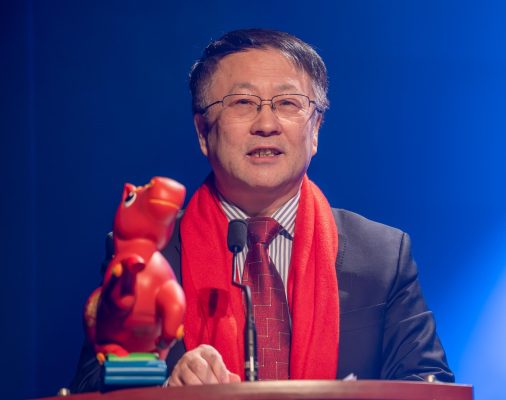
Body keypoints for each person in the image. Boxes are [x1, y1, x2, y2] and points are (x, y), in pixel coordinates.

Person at [70, 28, 453, 392]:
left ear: (316, 130)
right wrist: (166, 387)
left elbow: (428, 384)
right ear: (203, 132)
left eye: (288, 103)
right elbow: (93, 382)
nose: (267, 124)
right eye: (242, 103)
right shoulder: (146, 256)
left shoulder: (382, 254)